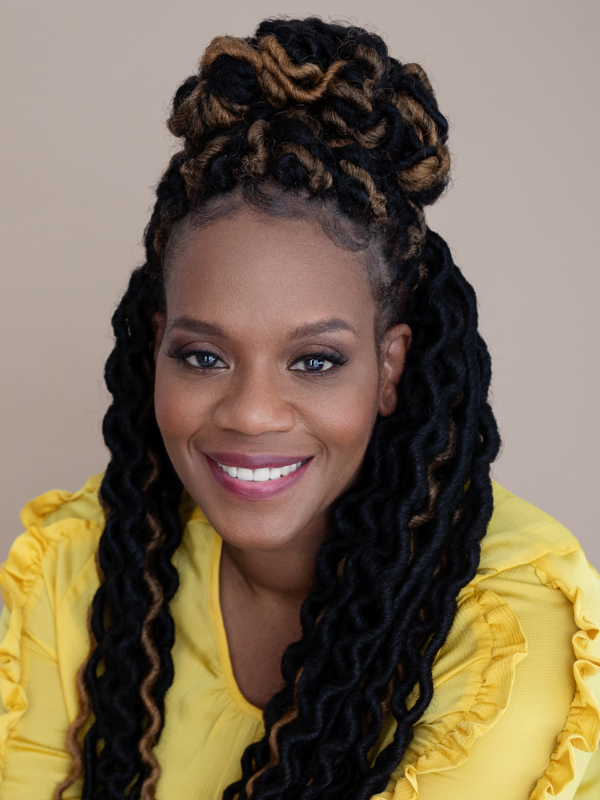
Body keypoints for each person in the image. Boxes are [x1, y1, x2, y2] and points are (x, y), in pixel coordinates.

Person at [0, 15, 599, 800]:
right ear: (155, 349)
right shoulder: (81, 567)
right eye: (203, 356)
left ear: (389, 368)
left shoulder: (505, 624)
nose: (252, 413)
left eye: (316, 361)